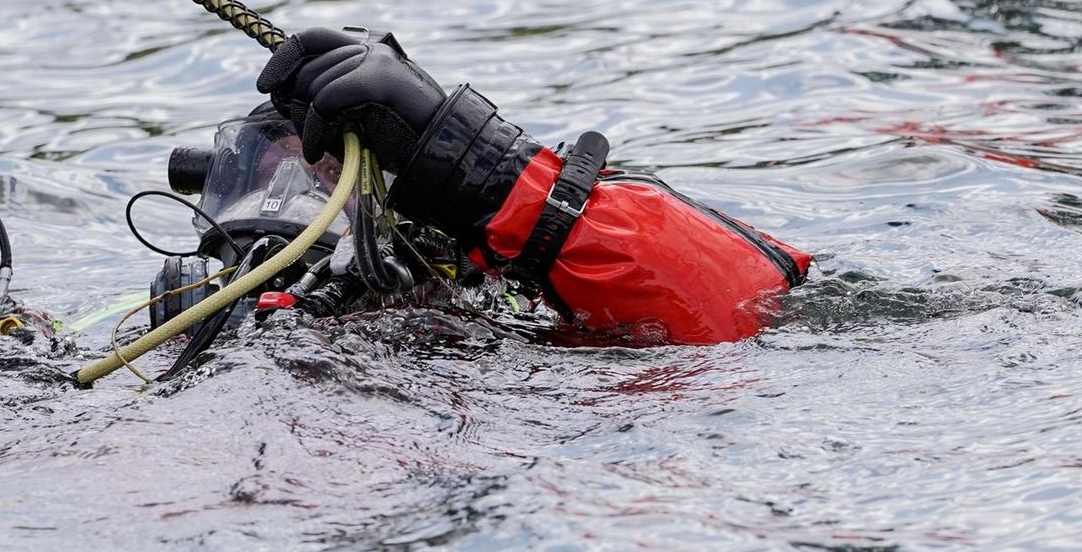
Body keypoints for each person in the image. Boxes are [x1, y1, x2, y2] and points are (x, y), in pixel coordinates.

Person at [258, 28, 811, 345]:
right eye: (309, 189)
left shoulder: (506, 305)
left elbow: (752, 313)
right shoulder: (204, 311)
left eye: (340, 178)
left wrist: (479, 173)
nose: (331, 199)